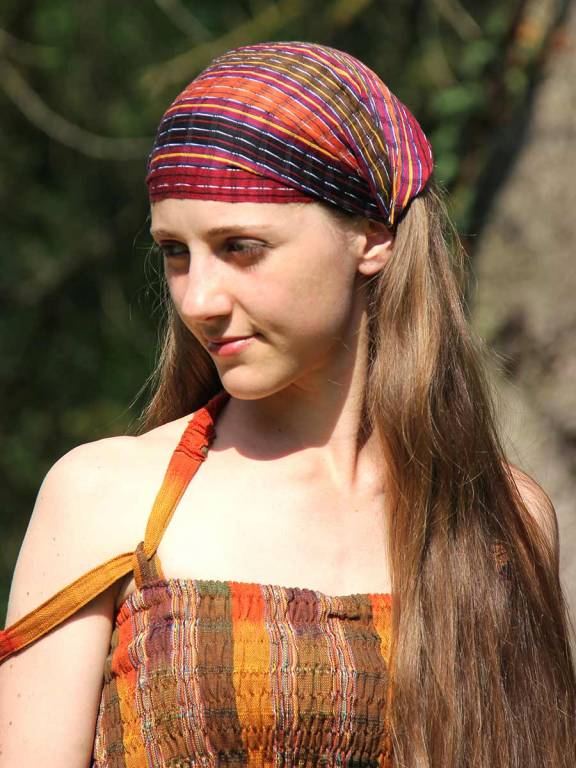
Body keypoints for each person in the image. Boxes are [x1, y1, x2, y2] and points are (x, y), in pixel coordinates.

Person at [0, 40, 574, 768]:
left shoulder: (499, 521)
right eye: (175, 252)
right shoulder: (108, 499)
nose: (198, 300)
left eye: (241, 247)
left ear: (372, 237)